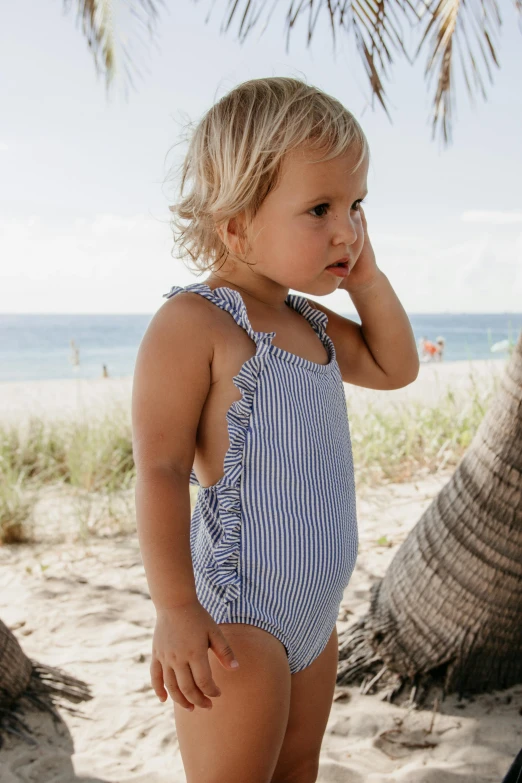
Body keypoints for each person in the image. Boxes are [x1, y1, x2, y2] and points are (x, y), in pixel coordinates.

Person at [132, 77, 419, 782]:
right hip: (238, 619)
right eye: (319, 208)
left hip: (313, 618)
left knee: (298, 768)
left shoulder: (313, 326)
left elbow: (396, 366)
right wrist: (175, 607)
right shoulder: (198, 323)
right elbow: (160, 470)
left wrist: (367, 278)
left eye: (356, 206)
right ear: (236, 226)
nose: (347, 230)